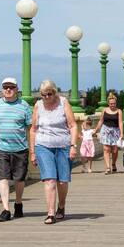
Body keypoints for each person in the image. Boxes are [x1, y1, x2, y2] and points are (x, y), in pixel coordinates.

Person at [29, 79, 79, 225]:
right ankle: (50, 213)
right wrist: (32, 152)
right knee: (50, 179)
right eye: (43, 95)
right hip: (43, 146)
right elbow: (33, 130)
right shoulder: (38, 106)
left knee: (62, 181)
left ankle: (61, 206)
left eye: (49, 94)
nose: (46, 98)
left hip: (63, 145)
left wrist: (73, 145)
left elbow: (73, 126)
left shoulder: (63, 103)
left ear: (55, 93)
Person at [0, 76, 32, 222]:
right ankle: (6, 209)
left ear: (17, 89)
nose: (8, 90)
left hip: (20, 147)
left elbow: (30, 128)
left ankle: (18, 203)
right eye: (5, 87)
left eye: (11, 87)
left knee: (19, 179)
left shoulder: (24, 105)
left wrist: (32, 148)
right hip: (0, 147)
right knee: (3, 177)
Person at [97, 91, 124, 173]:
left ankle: (113, 163)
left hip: (115, 131)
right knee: (106, 149)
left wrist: (122, 133)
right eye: (111, 103)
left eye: (114, 103)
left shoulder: (119, 111)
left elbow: (120, 123)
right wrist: (96, 130)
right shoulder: (104, 110)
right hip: (105, 130)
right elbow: (101, 121)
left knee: (115, 150)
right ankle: (108, 167)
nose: (112, 105)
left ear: (116, 103)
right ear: (108, 103)